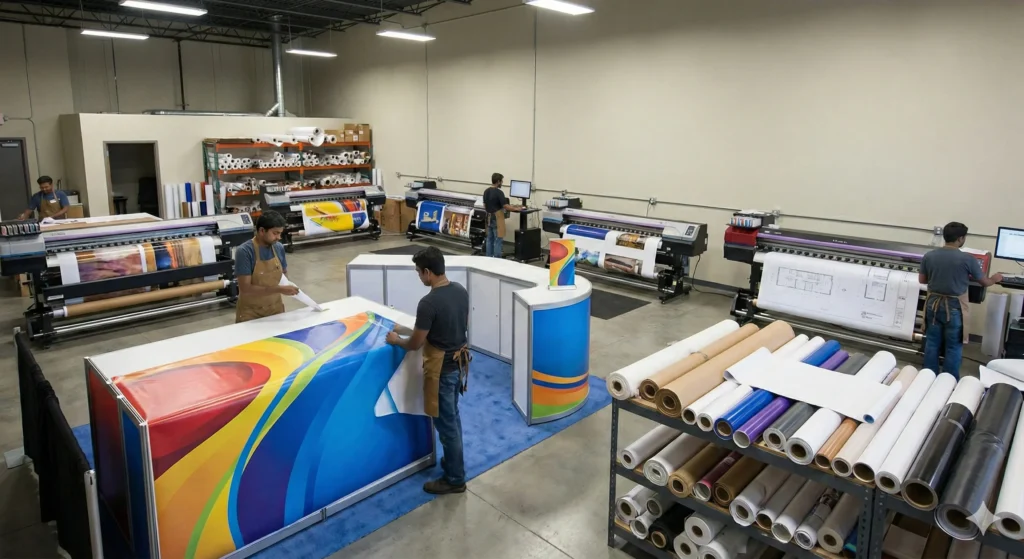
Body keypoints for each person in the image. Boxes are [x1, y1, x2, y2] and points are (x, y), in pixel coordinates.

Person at [386, 246, 471, 495]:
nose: (419, 277)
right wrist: (405, 328)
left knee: (446, 425)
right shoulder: (460, 290)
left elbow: (416, 344)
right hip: (458, 365)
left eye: (418, 272)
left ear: (427, 272)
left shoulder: (428, 302)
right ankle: (453, 462)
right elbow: (445, 326)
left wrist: (397, 340)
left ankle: (455, 479)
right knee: (452, 418)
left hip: (442, 370)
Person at [919, 222, 1003, 378]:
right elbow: (984, 282)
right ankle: (949, 380)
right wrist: (995, 278)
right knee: (953, 345)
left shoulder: (929, 256)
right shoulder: (967, 259)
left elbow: (922, 280)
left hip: (933, 305)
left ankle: (927, 377)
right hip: (954, 307)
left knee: (932, 342)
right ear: (960, 238)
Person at [234, 211, 298, 323]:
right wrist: (279, 289)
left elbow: (283, 274)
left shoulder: (278, 248)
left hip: (275, 309)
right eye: (275, 233)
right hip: (251, 313)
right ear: (262, 231)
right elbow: (245, 289)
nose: (279, 237)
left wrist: (288, 286)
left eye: (280, 233)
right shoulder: (245, 251)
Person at [482, 173, 523, 258]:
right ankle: (497, 259)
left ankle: (488, 258)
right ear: (498, 181)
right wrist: (517, 208)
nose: (502, 183)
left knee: (489, 239)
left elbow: (485, 205)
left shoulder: (486, 191)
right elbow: (505, 206)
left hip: (488, 217)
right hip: (497, 218)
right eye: (501, 181)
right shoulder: (499, 192)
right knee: (498, 239)